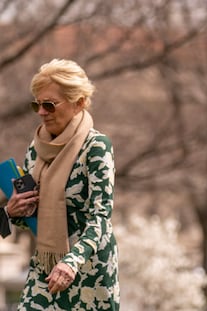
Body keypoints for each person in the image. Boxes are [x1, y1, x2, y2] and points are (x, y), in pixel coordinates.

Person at [0, 59, 120, 310]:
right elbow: (32, 218)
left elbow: (101, 217)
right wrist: (13, 210)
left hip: (89, 273)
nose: (41, 112)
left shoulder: (97, 147)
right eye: (37, 104)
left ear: (79, 103)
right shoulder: (35, 149)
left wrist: (71, 262)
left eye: (49, 105)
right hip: (46, 266)